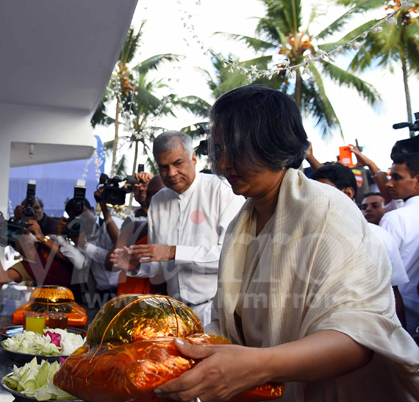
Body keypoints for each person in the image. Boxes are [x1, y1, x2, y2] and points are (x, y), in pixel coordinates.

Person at [155, 85, 419, 402]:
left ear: (273, 144)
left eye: (238, 150)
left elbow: (360, 336)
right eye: (221, 151)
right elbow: (235, 325)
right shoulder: (245, 221)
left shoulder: (325, 211)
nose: (225, 165)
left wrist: (257, 366)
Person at [112, 131, 245, 326]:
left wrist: (174, 252)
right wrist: (137, 266)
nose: (171, 173)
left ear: (193, 159)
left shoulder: (221, 191)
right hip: (175, 313)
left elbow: (231, 258)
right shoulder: (157, 201)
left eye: (178, 163)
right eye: (164, 167)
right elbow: (160, 265)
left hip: (216, 311)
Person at [310, 164, 408, 326]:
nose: (316, 199)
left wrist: (401, 337)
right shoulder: (311, 237)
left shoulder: (379, 236)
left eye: (324, 191)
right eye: (313, 193)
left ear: (348, 193)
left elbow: (393, 292)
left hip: (371, 330)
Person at [379, 148, 419, 333]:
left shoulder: (395, 219)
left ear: (417, 181)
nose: (389, 184)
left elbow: (383, 275)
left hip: (402, 320)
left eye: (397, 178)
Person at [106, 175, 167, 296]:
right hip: (129, 301)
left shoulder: (181, 233)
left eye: (158, 194)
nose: (152, 200)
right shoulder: (134, 227)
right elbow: (110, 264)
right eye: (148, 194)